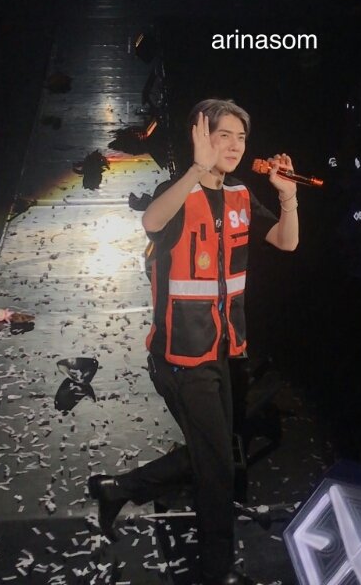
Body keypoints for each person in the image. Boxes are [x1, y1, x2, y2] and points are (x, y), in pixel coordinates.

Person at [88, 98, 299, 585]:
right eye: (223, 135)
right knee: (218, 468)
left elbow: (287, 241)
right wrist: (196, 171)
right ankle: (216, 571)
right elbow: (151, 221)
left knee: (218, 454)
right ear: (200, 137)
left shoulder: (241, 195)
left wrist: (288, 198)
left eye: (241, 138)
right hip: (180, 357)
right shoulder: (179, 194)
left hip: (223, 351)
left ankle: (119, 489)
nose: (235, 146)